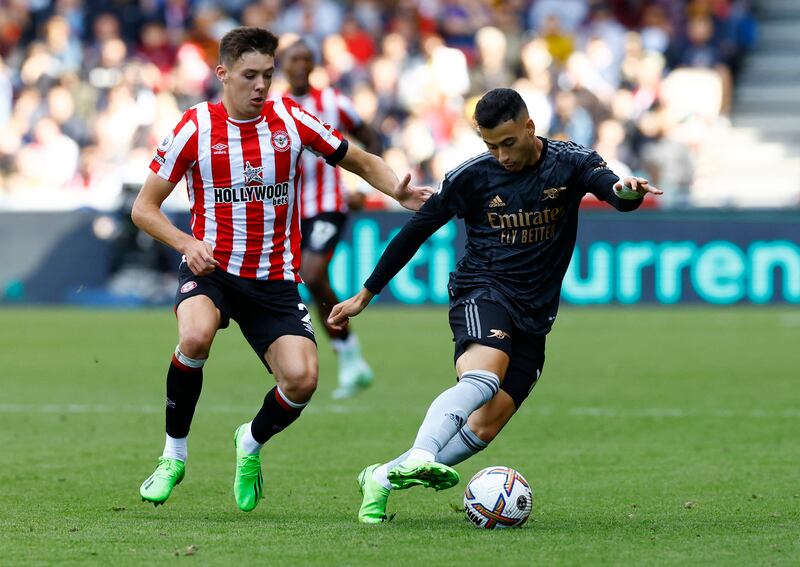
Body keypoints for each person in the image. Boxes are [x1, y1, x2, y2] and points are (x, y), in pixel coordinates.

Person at [327, 88, 662, 523]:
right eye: (490, 145)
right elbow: (416, 231)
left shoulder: (571, 161)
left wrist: (629, 190)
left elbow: (616, 195)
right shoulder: (472, 177)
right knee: (483, 376)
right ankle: (421, 453)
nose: (501, 155)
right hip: (481, 290)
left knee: (486, 425)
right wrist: (365, 293)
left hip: (534, 313)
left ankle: (383, 477)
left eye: (508, 143)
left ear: (529, 128)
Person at [132, 27, 430, 512]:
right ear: (222, 73)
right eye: (249, 75)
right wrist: (187, 243)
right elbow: (144, 208)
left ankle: (249, 441)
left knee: (302, 380)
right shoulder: (194, 127)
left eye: (267, 76)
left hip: (272, 278)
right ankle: (173, 456)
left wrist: (395, 190)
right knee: (195, 336)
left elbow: (356, 158)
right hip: (214, 270)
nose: (260, 86)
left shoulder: (291, 119)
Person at [281, 38, 382, 399]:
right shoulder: (275, 107)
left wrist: (363, 189)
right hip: (289, 210)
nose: (301, 65)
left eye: (308, 58)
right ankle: (349, 357)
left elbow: (370, 139)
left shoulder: (334, 103)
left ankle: (350, 357)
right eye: (295, 59)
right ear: (283, 64)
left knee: (311, 274)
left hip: (328, 204)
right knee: (308, 282)